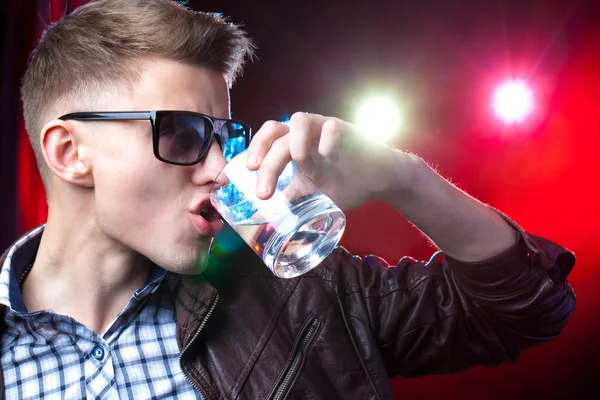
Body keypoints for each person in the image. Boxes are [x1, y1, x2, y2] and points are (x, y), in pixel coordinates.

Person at [0, 0, 575, 398]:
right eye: (180, 133)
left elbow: (525, 309)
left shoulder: (298, 295)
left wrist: (403, 178)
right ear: (71, 152)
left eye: (225, 138)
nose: (221, 168)